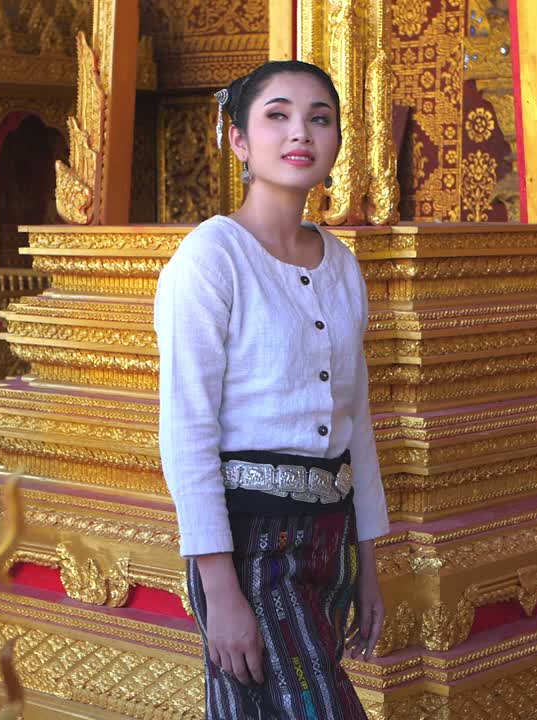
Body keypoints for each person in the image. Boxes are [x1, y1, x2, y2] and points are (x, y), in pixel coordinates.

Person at [154, 60, 390, 720]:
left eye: (320, 118)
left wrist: (369, 562)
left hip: (329, 539)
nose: (301, 133)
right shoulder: (211, 258)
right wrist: (218, 587)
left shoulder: (341, 264)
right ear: (238, 139)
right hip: (250, 545)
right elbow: (186, 431)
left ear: (339, 140)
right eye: (277, 115)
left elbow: (358, 423)